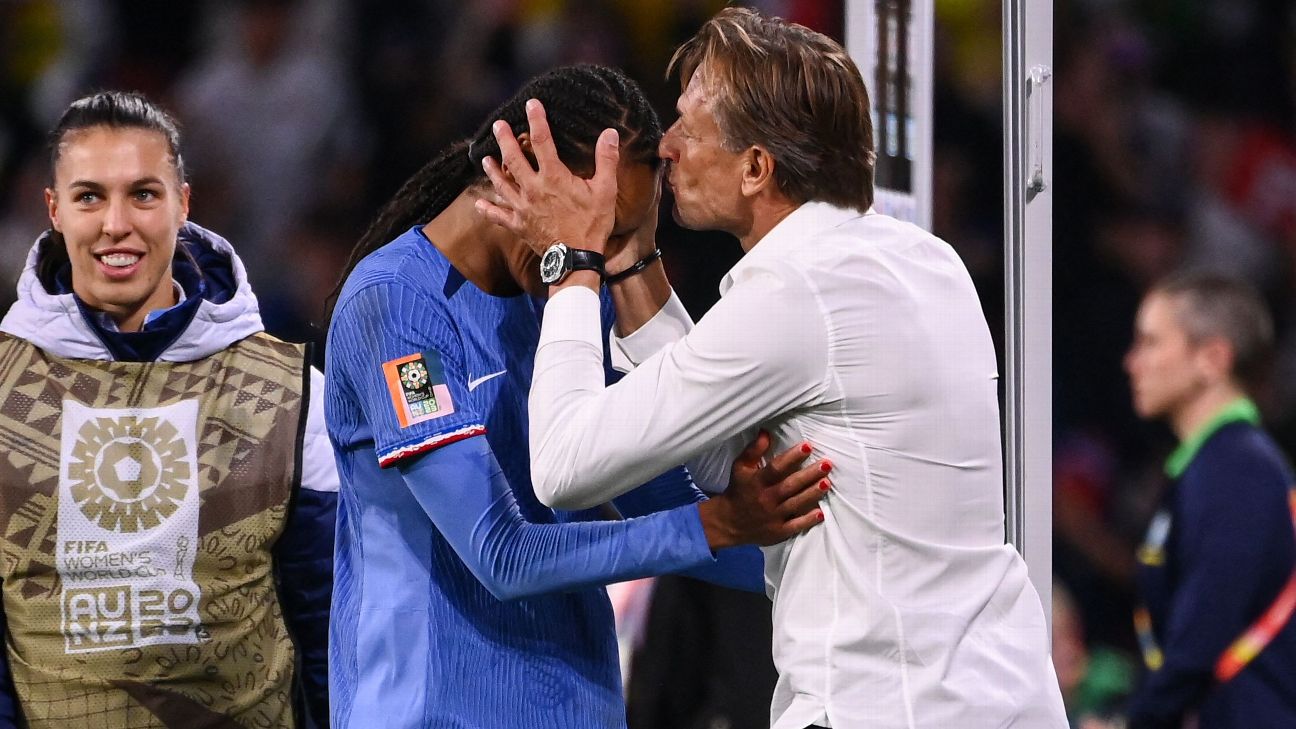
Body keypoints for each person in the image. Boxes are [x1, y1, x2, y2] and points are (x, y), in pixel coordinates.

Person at [476, 8, 1068, 728]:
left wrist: (574, 260)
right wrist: (632, 260)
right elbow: (716, 426)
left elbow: (565, 461)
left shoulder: (797, 294)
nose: (665, 146)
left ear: (757, 168)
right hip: (1002, 697)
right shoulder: (924, 259)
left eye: (690, 127)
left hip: (883, 710)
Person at [323, 64, 828, 729]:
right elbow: (501, 553)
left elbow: (664, 500)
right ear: (524, 170)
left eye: (626, 240)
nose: (608, 259)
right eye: (604, 235)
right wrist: (718, 524)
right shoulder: (393, 306)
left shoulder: (573, 299)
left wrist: (794, 533)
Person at [0, 91, 336, 728]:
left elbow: (329, 631)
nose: (115, 224)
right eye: (89, 196)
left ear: (184, 203)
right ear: (54, 211)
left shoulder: (293, 390)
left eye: (144, 194)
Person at [1121, 272, 1296, 728]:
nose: (1132, 362)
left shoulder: (1240, 472)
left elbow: (1200, 637)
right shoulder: (1211, 467)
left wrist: (1135, 721)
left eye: (1150, 343)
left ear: (1212, 359)